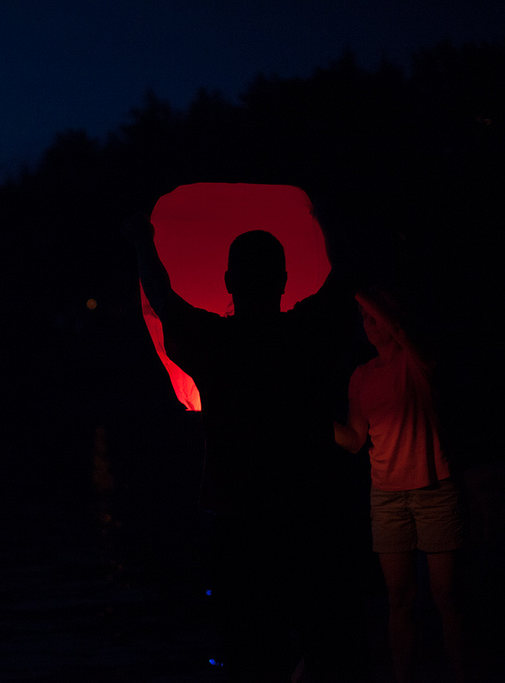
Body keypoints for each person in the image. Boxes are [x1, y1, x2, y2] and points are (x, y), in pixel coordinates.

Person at [125, 211, 362, 681]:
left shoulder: (215, 344)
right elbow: (346, 276)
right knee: (324, 644)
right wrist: (326, 216)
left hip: (240, 523)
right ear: (285, 280)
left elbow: (163, 299)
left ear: (229, 280)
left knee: (249, 650)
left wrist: (142, 240)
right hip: (310, 516)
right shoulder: (306, 334)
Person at [334, 288, 466, 683]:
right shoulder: (361, 375)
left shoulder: (416, 360)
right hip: (387, 497)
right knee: (398, 599)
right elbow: (357, 439)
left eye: (374, 318)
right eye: (363, 320)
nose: (368, 326)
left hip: (434, 490)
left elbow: (406, 333)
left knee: (447, 597)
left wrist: (362, 289)